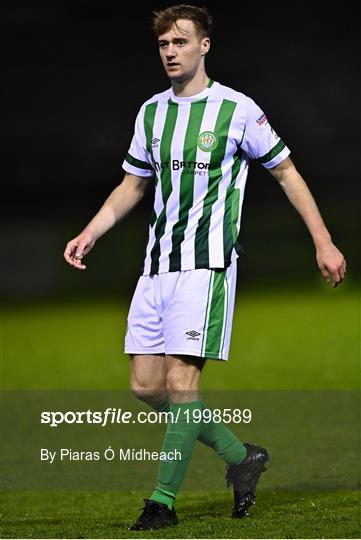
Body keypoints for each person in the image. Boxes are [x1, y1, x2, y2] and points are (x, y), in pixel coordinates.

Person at [64, 4, 346, 531]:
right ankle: (241, 458)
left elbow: (286, 173)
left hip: (206, 266)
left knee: (182, 382)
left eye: (180, 42)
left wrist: (323, 241)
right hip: (156, 268)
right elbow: (132, 185)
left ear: (204, 45)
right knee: (147, 388)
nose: (171, 52)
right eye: (164, 45)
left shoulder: (237, 109)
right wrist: (90, 232)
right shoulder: (151, 113)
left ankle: (161, 502)